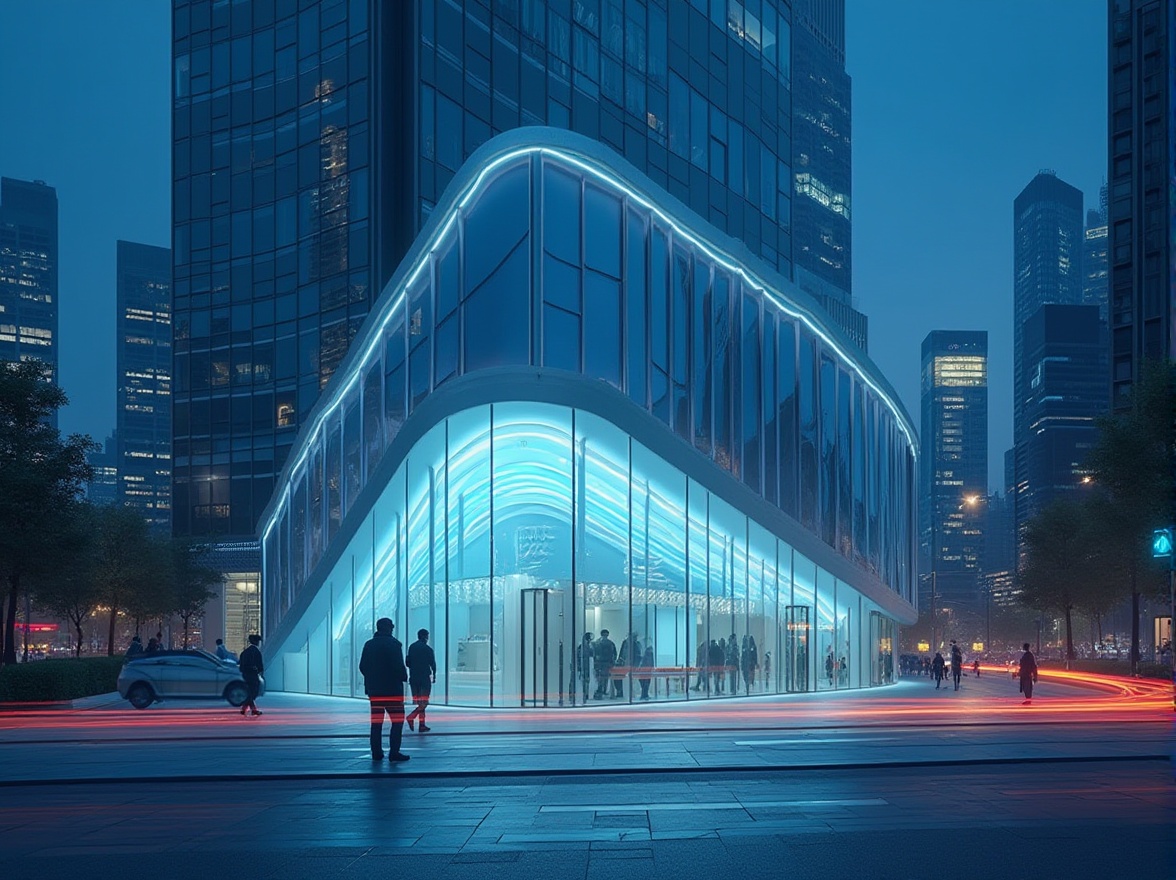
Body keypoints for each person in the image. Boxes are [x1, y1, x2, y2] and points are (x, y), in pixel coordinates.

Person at [359, 618, 409, 761]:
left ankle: (376, 752)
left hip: (374, 691)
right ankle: (394, 752)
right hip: (392, 690)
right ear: (388, 628)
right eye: (391, 627)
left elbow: (362, 666)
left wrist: (372, 679)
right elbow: (399, 666)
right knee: (397, 721)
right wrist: (404, 677)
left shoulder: (368, 645)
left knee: (376, 723)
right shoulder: (393, 644)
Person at [405, 628, 436, 732]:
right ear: (425, 636)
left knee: (420, 702)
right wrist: (434, 675)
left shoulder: (412, 647)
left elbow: (408, 662)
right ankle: (411, 717)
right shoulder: (427, 649)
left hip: (414, 678)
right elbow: (433, 663)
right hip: (424, 678)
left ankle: (422, 725)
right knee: (424, 702)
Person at [238, 634, 264, 716]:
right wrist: (259, 671)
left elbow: (241, 665)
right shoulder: (256, 652)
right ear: (256, 642)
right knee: (253, 692)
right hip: (253, 674)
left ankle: (245, 708)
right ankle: (253, 709)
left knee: (249, 691)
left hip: (245, 675)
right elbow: (259, 664)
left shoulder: (244, 652)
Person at [615, 632, 640, 698]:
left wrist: (636, 665)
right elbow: (622, 653)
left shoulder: (636, 644)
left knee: (631, 680)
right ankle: (621, 692)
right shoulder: (625, 643)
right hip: (625, 664)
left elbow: (637, 655)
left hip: (631, 665)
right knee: (621, 679)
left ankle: (630, 693)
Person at [593, 629, 617, 699]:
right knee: (602, 678)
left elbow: (614, 653)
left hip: (605, 663)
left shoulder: (598, 643)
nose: (605, 636)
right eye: (604, 634)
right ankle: (601, 691)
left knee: (603, 678)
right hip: (603, 663)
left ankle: (602, 691)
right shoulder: (600, 643)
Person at [576, 632, 594, 702]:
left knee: (586, 679)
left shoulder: (589, 646)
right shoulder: (582, 647)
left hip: (588, 664)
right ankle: (584, 694)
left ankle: (586, 694)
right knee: (584, 679)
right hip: (584, 665)